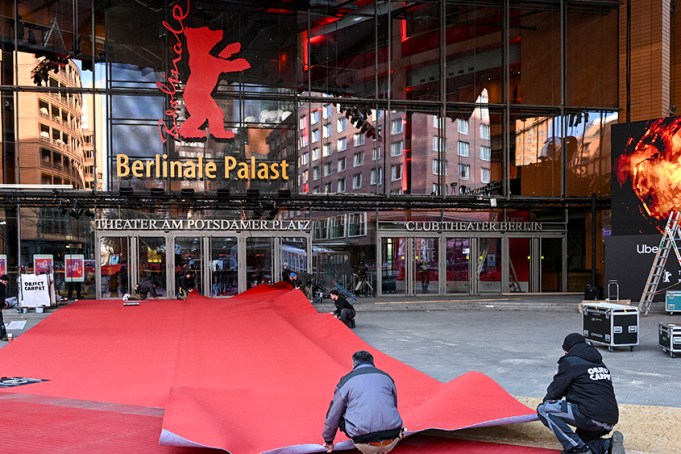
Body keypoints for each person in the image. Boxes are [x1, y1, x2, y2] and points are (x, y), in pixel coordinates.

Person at [537, 333, 625, 454]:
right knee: (578, 441)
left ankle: (579, 450)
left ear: (568, 350)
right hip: (609, 420)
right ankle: (607, 445)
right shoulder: (600, 364)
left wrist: (547, 404)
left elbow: (555, 392)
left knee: (544, 409)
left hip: (589, 415)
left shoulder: (570, 362)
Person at [322, 350, 404, 454]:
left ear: (353, 364)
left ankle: (370, 449)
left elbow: (333, 416)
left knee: (340, 410)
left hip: (364, 441)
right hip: (393, 437)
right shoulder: (387, 378)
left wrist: (328, 441)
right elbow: (393, 405)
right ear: (372, 363)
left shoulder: (346, 381)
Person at [0, 274, 9, 341]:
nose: (6, 284)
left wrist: (3, 304)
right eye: (5, 282)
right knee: (1, 321)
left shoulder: (2, 285)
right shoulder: (1, 286)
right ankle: (3, 335)